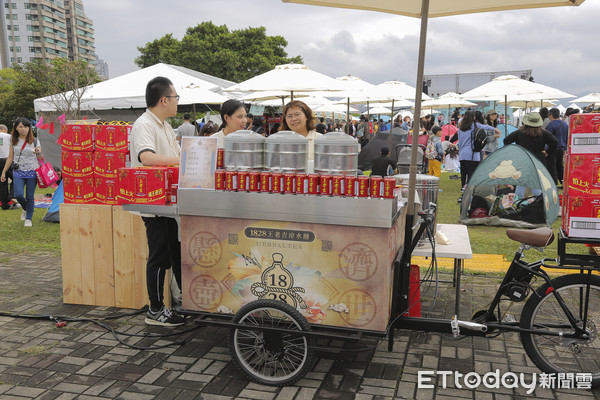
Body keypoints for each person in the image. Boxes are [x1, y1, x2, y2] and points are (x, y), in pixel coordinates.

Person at [129, 76, 184, 327]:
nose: (177, 102)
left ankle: (172, 305)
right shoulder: (144, 125)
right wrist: (181, 162)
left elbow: (175, 155)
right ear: (164, 99)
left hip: (169, 202)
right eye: (175, 98)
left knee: (172, 255)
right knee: (159, 257)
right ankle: (155, 310)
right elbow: (147, 157)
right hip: (153, 203)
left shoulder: (164, 125)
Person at [0, 118, 42, 227]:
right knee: (18, 194)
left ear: (29, 128)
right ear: (16, 128)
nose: (24, 129)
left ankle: (29, 218)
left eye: (26, 126)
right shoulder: (13, 141)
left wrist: (39, 153)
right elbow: (10, 158)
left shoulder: (35, 141)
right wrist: (4, 172)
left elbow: (41, 157)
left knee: (29, 196)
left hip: (32, 171)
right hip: (18, 171)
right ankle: (25, 208)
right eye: (21, 127)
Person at [455, 110, 501, 188]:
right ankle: (469, 187)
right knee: (471, 172)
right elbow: (485, 126)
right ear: (473, 117)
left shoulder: (460, 128)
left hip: (462, 153)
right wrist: (495, 129)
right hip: (472, 154)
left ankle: (463, 186)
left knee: (463, 172)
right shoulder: (474, 125)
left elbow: (460, 141)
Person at [545, 108, 568, 186]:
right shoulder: (565, 124)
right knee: (560, 166)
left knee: (552, 167)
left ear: (551, 115)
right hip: (562, 149)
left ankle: (553, 184)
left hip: (552, 149)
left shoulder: (551, 125)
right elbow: (567, 138)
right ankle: (563, 182)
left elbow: (547, 138)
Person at [0, 124, 14, 210]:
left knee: (2, 182)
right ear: (5, 130)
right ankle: (12, 196)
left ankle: (5, 205)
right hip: (7, 160)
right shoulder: (9, 136)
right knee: (15, 178)